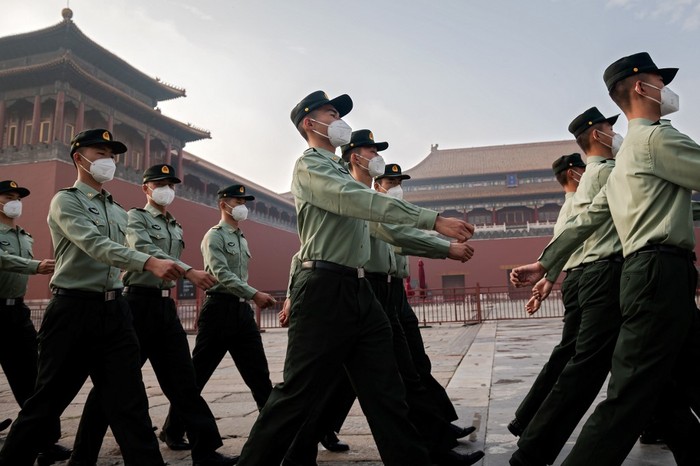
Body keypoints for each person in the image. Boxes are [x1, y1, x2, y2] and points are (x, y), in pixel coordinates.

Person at [235, 90, 474, 466]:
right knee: (298, 394)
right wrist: (432, 220)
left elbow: (383, 227)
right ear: (308, 123)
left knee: (387, 390)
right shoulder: (310, 167)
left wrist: (439, 244)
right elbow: (356, 200)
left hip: (360, 290)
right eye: (331, 113)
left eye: (339, 113)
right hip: (324, 290)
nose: (339, 119)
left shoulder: (341, 174)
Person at [510, 52, 700, 465]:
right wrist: (548, 265)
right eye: (660, 82)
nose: (666, 91)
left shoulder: (629, 152)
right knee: (628, 393)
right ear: (640, 87)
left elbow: (591, 217)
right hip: (659, 271)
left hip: (648, 272)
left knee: (678, 377)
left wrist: (546, 263)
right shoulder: (656, 138)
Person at [282, 131, 482, 466]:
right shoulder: (341, 190)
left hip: (371, 292)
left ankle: (428, 447)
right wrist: (442, 240)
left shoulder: (361, 195)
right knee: (314, 386)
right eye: (370, 150)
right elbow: (307, 250)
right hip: (345, 288)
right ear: (353, 157)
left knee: (389, 380)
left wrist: (441, 244)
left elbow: (397, 234)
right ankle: (298, 449)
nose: (376, 155)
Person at [0, 129, 183, 466]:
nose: (107, 161)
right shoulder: (66, 201)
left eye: (111, 155)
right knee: (46, 403)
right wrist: (148, 262)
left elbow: (129, 249)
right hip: (73, 312)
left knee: (132, 406)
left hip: (116, 312)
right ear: (79, 158)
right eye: (99, 153)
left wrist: (160, 262)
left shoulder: (117, 210)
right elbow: (95, 245)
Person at [68, 164, 238, 466]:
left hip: (164, 307)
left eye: (170, 184)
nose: (166, 189)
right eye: (159, 184)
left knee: (184, 380)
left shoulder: (174, 225)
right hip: (135, 306)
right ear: (146, 189)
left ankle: (205, 450)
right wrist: (188, 271)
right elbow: (144, 249)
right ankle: (83, 455)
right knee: (113, 384)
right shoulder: (135, 218)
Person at [510, 108, 626, 466]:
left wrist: (547, 274)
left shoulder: (571, 200)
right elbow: (584, 230)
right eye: (608, 126)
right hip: (601, 274)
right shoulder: (606, 173)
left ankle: (528, 428)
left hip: (585, 276)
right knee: (587, 364)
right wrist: (548, 271)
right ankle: (533, 443)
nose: (613, 132)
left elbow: (570, 234)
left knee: (590, 359)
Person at [161, 183, 277, 444]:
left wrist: (247, 297)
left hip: (241, 312)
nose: (242, 207)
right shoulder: (214, 236)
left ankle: (274, 431)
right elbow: (221, 275)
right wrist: (254, 294)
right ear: (223, 204)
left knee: (259, 375)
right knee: (197, 375)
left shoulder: (240, 236)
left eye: (244, 202)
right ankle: (173, 430)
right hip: (218, 312)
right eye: (237, 202)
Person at [376, 163, 477, 439]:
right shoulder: (371, 211)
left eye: (399, 182)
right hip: (375, 291)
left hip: (395, 289)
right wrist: (445, 247)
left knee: (417, 363)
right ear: (376, 185)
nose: (396, 187)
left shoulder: (399, 213)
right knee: (347, 377)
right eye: (390, 181)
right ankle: (307, 434)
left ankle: (440, 426)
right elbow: (398, 240)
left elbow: (410, 237)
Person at [506, 153, 587, 439]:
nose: (587, 170)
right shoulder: (579, 203)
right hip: (588, 278)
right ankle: (532, 427)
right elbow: (571, 240)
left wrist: (548, 278)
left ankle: (527, 420)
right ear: (572, 172)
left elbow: (563, 243)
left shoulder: (567, 207)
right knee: (574, 359)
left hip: (578, 279)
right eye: (583, 167)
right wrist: (547, 275)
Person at [0, 180, 72, 465]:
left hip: (17, 313)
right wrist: (34, 266)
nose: (15, 201)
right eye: (8, 196)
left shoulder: (24, 235)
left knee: (33, 379)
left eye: (18, 197)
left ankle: (45, 441)